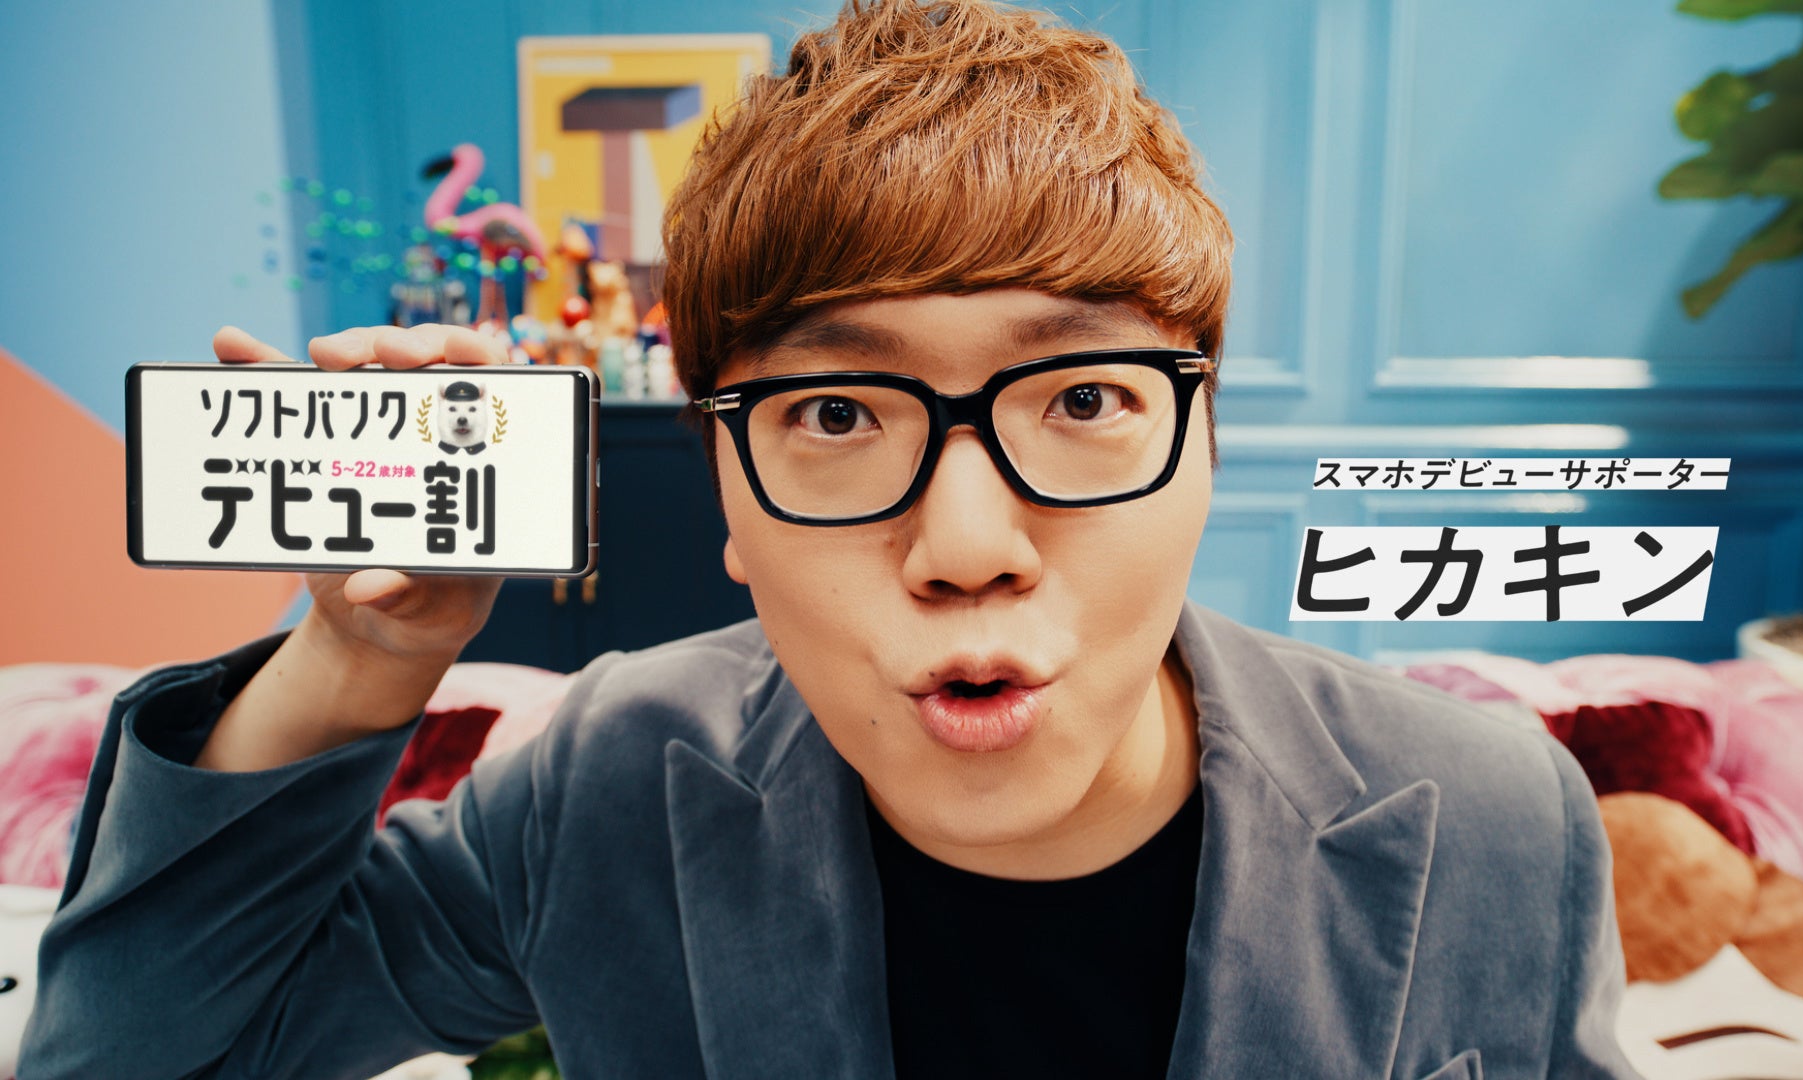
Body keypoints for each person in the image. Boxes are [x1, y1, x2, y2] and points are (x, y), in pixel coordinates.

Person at [21, 1, 1636, 1076]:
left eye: (1082, 398)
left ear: (1201, 446)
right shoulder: (608, 786)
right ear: (725, 497)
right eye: (840, 414)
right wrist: (362, 649)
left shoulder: (1497, 816)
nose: (968, 544)